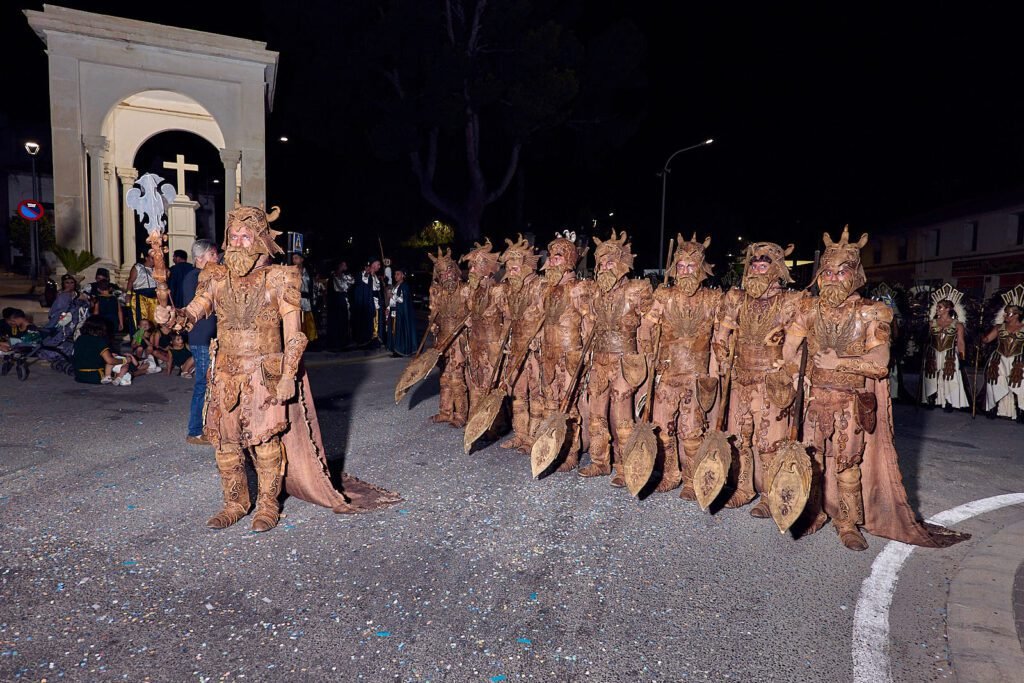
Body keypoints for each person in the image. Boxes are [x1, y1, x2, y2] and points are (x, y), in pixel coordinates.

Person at [156, 204, 400, 532]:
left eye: (246, 236)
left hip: (264, 375)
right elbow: (191, 315)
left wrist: (288, 375)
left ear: (260, 240)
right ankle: (235, 502)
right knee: (226, 446)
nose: (239, 242)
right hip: (226, 374)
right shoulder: (214, 277)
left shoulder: (281, 277)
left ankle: (268, 504)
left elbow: (295, 335)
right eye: (234, 236)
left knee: (265, 444)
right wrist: (171, 315)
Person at [783, 226, 968, 550]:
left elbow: (880, 361)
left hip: (849, 402)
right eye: (827, 271)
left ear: (855, 273)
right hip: (814, 398)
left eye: (842, 272)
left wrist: (838, 362)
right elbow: (789, 349)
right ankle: (813, 511)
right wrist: (801, 375)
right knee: (811, 458)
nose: (833, 277)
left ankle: (848, 522)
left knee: (847, 465)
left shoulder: (872, 312)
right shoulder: (807, 309)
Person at [711, 242, 803, 514]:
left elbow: (796, 347)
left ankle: (767, 495)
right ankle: (743, 488)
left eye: (763, 266)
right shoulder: (737, 298)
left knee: (768, 443)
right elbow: (722, 335)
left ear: (775, 269)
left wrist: (787, 368)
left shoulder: (790, 302)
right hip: (741, 377)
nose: (757, 270)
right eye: (754, 265)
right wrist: (721, 352)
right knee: (742, 438)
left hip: (770, 382)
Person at [640, 234, 723, 496]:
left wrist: (714, 372)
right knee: (663, 429)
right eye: (682, 267)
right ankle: (670, 474)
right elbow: (647, 328)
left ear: (701, 269)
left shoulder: (713, 299)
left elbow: (719, 339)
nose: (686, 272)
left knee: (691, 433)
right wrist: (649, 355)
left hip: (694, 376)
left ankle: (690, 479)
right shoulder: (664, 296)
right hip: (668, 373)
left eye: (691, 267)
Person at [579, 230, 654, 487]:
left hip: (624, 360)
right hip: (599, 360)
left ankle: (624, 466)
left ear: (622, 263)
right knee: (597, 414)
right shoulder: (594, 293)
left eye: (610, 262)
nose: (604, 267)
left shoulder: (637, 290)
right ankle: (600, 462)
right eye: (601, 263)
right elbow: (589, 327)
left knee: (623, 419)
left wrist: (645, 362)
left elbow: (646, 329)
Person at [534, 231, 592, 471]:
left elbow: (589, 323)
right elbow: (540, 319)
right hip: (549, 352)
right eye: (551, 257)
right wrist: (536, 341)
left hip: (571, 353)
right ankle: (553, 450)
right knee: (550, 403)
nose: (552, 261)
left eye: (558, 257)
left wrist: (587, 353)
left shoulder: (579, 289)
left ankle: (570, 453)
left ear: (568, 259)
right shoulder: (544, 289)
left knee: (569, 406)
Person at [494, 236, 546, 451]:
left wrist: (539, 339)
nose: (511, 273)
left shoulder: (541, 286)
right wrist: (503, 340)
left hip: (535, 351)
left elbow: (549, 318)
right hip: (515, 348)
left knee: (536, 395)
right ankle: (520, 434)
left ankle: (533, 438)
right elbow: (507, 319)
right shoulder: (508, 290)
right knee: (518, 394)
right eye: (509, 269)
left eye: (515, 269)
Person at [462, 239, 505, 438]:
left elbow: (510, 317)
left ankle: (494, 425)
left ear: (485, 269)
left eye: (474, 267)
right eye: (470, 267)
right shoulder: (474, 293)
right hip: (477, 344)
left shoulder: (498, 291)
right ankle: (476, 423)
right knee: (476, 385)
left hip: (493, 346)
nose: (470, 271)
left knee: (491, 386)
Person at [426, 248, 470, 426]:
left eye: (449, 272)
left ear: (455, 271)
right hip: (442, 340)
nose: (447, 277)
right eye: (442, 274)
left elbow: (475, 313)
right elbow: (433, 316)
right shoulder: (437, 293)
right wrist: (434, 325)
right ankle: (445, 411)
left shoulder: (465, 290)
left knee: (457, 379)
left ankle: (460, 414)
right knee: (444, 377)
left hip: (459, 340)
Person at [182, 239, 219, 445]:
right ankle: (195, 431)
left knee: (210, 383)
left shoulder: (201, 276)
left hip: (208, 338)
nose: (216, 258)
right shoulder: (195, 277)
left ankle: (207, 426)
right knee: (203, 384)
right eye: (212, 255)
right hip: (202, 338)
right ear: (200, 258)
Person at [921, 285, 969, 411]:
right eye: (937, 307)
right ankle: (931, 398)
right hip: (933, 352)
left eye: (940, 307)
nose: (937, 309)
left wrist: (963, 358)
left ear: (948, 309)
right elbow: (925, 338)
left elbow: (961, 342)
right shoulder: (932, 323)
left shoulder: (958, 324)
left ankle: (949, 400)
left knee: (950, 376)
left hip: (950, 353)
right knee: (931, 375)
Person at [983, 284, 1024, 420]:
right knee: (994, 382)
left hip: (1018, 359)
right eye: (1005, 312)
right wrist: (980, 337)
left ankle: (1021, 411)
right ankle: (992, 408)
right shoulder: (1000, 327)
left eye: (1009, 313)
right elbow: (988, 339)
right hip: (998, 359)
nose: (1006, 315)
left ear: (1018, 314)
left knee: (1021, 384)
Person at [73, 315, 134, 385]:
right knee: (127, 369)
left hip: (79, 375)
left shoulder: (80, 339)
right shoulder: (99, 340)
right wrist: (125, 360)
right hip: (95, 376)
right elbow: (109, 361)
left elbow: (89, 354)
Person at [387, 268, 419, 357]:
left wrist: (392, 295)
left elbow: (402, 300)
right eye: (395, 274)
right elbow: (393, 300)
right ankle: (395, 349)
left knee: (400, 331)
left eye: (398, 274)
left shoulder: (405, 286)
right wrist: (388, 308)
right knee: (394, 330)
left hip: (400, 312)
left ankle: (401, 350)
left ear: (403, 275)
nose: (395, 276)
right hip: (394, 311)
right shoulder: (395, 285)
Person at [352, 259, 384, 347]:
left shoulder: (376, 276)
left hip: (376, 301)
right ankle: (369, 339)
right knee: (371, 320)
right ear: (373, 265)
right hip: (369, 301)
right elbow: (364, 285)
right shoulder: (365, 275)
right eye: (378, 264)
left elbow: (377, 288)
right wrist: (367, 273)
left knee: (376, 320)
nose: (379, 266)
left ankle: (376, 337)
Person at [126, 253, 158, 330]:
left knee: (154, 321)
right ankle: (138, 340)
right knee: (141, 320)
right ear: (146, 258)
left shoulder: (157, 269)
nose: (154, 260)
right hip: (140, 297)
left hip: (154, 298)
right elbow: (130, 281)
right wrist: (128, 295)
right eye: (152, 258)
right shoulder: (138, 267)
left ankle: (151, 340)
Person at [291, 252, 318, 344]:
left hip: (306, 299)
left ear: (302, 259)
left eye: (296, 258)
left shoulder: (308, 271)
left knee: (308, 320)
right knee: (297, 320)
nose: (294, 260)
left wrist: (313, 299)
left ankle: (310, 339)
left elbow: (313, 286)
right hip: (296, 299)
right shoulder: (291, 271)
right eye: (293, 258)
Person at [327, 260, 354, 350]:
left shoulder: (344, 276)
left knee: (344, 320)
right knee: (338, 321)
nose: (346, 266)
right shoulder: (334, 276)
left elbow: (352, 282)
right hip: (337, 300)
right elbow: (339, 288)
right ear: (340, 266)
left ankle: (343, 341)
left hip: (342, 299)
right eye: (344, 265)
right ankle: (337, 342)